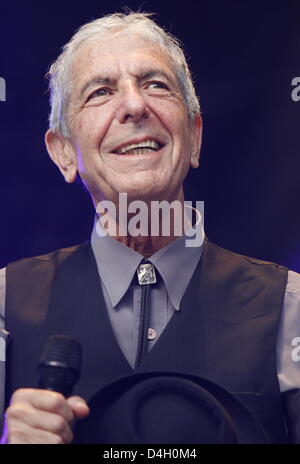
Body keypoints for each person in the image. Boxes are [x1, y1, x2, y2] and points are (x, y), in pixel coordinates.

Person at [1, 11, 300, 444]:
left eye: (156, 85)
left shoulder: (289, 308)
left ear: (194, 137)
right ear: (64, 152)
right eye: (100, 91)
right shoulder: (6, 304)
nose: (135, 106)